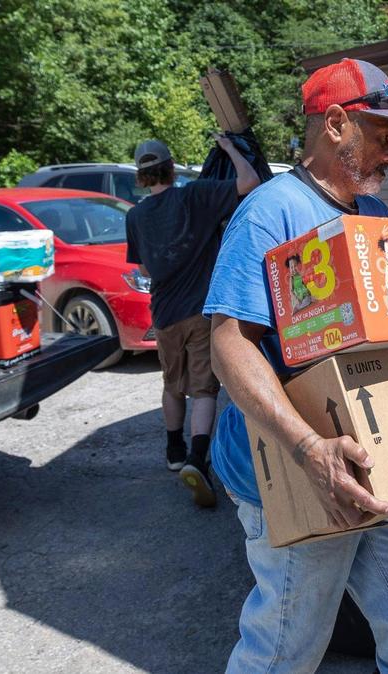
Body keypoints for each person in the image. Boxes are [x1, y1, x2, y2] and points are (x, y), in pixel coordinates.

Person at [204, 59, 388, 673]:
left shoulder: (375, 218)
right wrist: (308, 447)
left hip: (371, 462)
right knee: (288, 639)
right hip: (292, 466)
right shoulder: (271, 212)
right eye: (383, 135)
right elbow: (229, 343)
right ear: (336, 123)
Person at [124, 135, 260, 507]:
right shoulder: (194, 196)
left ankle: (173, 450)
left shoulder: (135, 216)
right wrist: (230, 148)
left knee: (172, 383)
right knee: (204, 390)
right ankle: (197, 459)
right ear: (170, 167)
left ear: (141, 175)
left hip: (164, 312)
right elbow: (249, 184)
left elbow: (144, 267)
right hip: (201, 311)